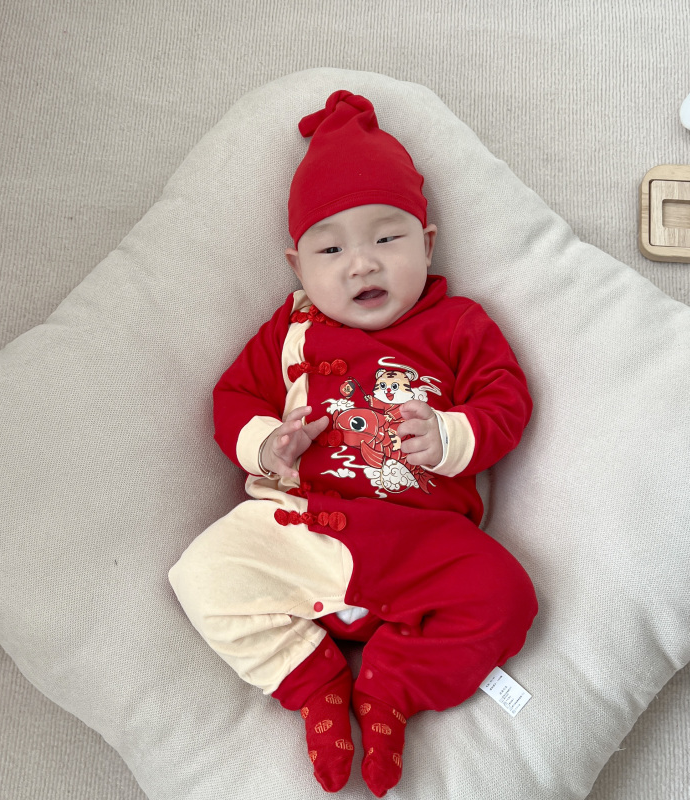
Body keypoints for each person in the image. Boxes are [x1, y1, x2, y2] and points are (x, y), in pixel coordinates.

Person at [169, 90, 538, 797]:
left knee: (506, 596)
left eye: (386, 240)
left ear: (427, 243)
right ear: (298, 266)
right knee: (201, 573)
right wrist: (267, 443)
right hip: (300, 527)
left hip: (419, 540)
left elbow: (505, 401)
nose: (362, 265)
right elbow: (233, 397)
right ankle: (313, 681)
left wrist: (450, 434)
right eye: (332, 249)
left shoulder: (458, 324)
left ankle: (392, 686)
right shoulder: (292, 328)